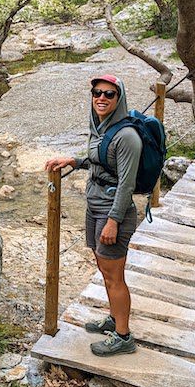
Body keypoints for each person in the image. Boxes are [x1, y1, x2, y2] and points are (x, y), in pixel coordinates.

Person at [44, 73, 141, 356]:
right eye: (97, 92)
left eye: (109, 94)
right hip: (96, 205)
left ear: (119, 98)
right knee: (104, 269)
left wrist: (113, 221)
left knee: (114, 275)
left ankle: (123, 336)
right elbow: (101, 160)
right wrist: (74, 160)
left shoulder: (127, 137)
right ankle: (114, 319)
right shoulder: (100, 128)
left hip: (113, 212)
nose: (101, 97)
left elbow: (127, 184)